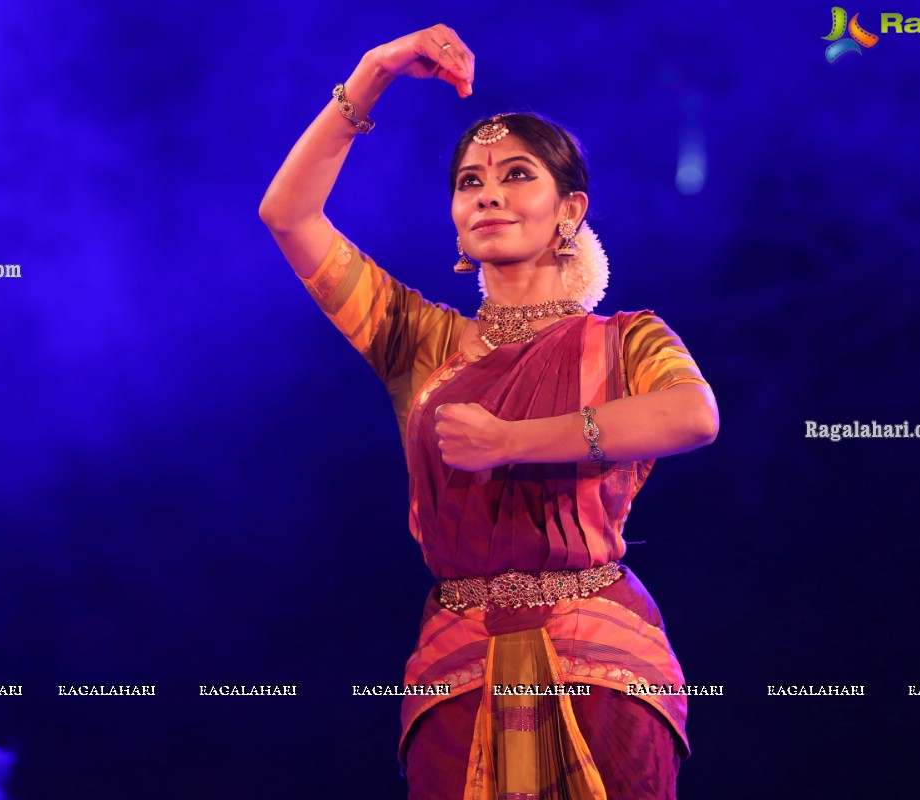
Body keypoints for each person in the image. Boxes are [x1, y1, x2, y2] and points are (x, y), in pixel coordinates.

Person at [259, 24, 719, 800]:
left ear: (570, 208)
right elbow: (288, 216)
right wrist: (372, 74)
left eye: (515, 175)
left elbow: (692, 416)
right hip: (457, 665)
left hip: (601, 657)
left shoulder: (626, 337)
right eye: (470, 182)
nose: (489, 195)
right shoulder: (419, 339)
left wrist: (514, 440)